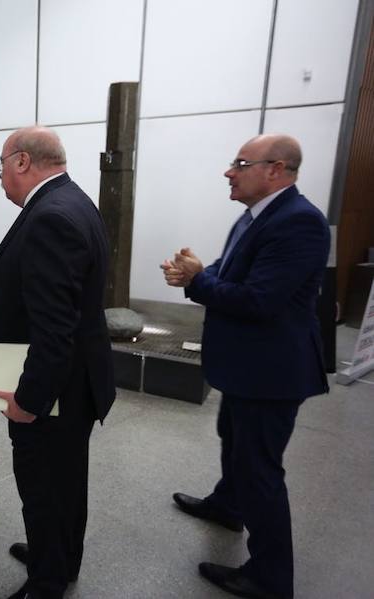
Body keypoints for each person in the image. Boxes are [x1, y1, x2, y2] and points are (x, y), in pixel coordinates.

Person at [161, 134, 329, 599]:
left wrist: (198, 282)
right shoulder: (256, 217)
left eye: (240, 163)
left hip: (272, 373)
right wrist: (196, 274)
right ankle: (227, 505)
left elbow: (260, 300)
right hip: (247, 367)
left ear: (275, 170)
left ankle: (270, 578)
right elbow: (226, 270)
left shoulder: (301, 223)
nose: (228, 171)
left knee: (260, 470)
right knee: (234, 441)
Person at [0, 127, 115, 599]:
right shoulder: (74, 200)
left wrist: (29, 401)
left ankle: (47, 580)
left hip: (53, 389)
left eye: (0, 167)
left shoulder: (49, 217)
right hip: (78, 380)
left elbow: (53, 329)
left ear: (21, 162)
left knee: (42, 485)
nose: (0, 178)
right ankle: (59, 556)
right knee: (66, 480)